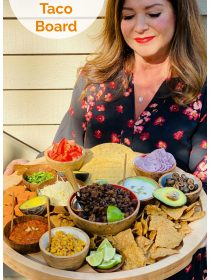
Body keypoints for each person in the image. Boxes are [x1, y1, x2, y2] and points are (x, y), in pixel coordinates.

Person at [4, 0, 207, 279]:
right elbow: (65, 152)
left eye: (154, 13)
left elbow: (200, 188)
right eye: (127, 15)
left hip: (168, 264)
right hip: (89, 257)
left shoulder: (200, 92)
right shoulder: (93, 79)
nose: (139, 26)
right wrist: (32, 169)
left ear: (179, 14)